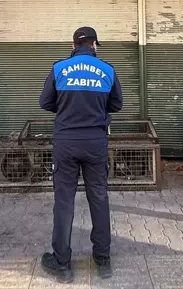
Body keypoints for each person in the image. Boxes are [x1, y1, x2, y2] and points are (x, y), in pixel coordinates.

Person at [39, 26, 123, 283]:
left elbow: (45, 102)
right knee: (99, 197)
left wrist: (66, 109)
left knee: (64, 201)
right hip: (96, 142)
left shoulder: (59, 68)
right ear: (94, 45)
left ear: (74, 45)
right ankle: (103, 258)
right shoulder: (108, 70)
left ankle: (62, 264)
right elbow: (117, 104)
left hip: (66, 141)